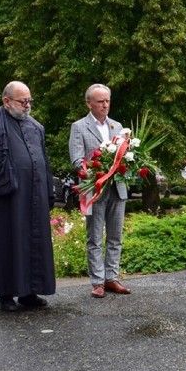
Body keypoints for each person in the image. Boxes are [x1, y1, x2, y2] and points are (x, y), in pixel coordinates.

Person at [0, 81, 55, 311]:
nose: (27, 106)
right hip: (4, 197)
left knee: (33, 243)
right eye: (22, 101)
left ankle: (29, 292)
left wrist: (49, 192)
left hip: (34, 196)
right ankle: (4, 294)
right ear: (6, 101)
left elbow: (43, 161)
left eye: (29, 101)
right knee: (5, 243)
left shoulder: (35, 126)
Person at [69, 84, 132, 297]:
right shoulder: (79, 127)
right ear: (89, 103)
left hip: (117, 187)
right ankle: (98, 282)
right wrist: (85, 171)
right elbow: (77, 158)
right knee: (94, 237)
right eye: (100, 101)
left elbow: (124, 155)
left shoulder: (117, 126)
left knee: (115, 236)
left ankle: (111, 278)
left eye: (107, 101)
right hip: (94, 188)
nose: (105, 105)